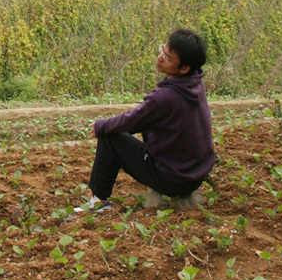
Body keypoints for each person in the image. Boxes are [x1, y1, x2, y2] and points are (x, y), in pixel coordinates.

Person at [84, 28, 214, 211]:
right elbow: (140, 119)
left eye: (168, 58)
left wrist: (101, 126)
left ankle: (99, 202)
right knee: (141, 126)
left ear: (184, 68)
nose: (160, 58)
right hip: (193, 176)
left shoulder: (166, 97)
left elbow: (131, 120)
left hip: (173, 180)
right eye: (163, 51)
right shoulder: (195, 83)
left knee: (109, 136)